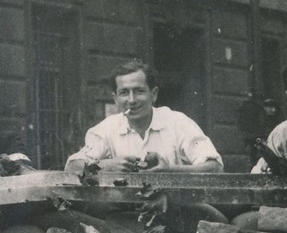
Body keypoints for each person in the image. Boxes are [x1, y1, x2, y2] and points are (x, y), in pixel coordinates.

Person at [65, 60, 223, 174]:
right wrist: (104, 166)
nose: (132, 100)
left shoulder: (177, 123)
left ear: (153, 95)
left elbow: (215, 167)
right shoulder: (106, 129)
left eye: (139, 91)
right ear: (115, 99)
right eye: (124, 93)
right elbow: (72, 166)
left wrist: (170, 170)